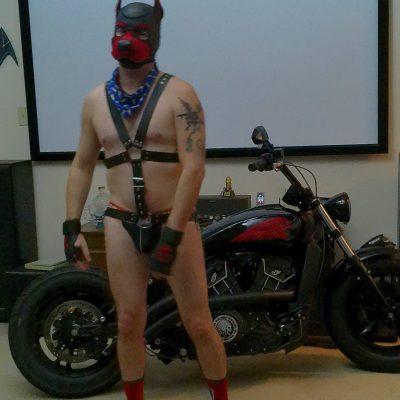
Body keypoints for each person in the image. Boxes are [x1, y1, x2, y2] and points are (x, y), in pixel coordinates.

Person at [62, 1, 229, 400]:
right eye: (122, 31)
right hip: (121, 223)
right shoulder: (95, 101)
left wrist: (172, 234)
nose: (128, 40)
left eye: (139, 33)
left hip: (174, 221)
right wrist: (71, 226)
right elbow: (82, 165)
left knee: (199, 323)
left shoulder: (180, 95)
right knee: (128, 323)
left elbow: (194, 169)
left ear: (154, 36)